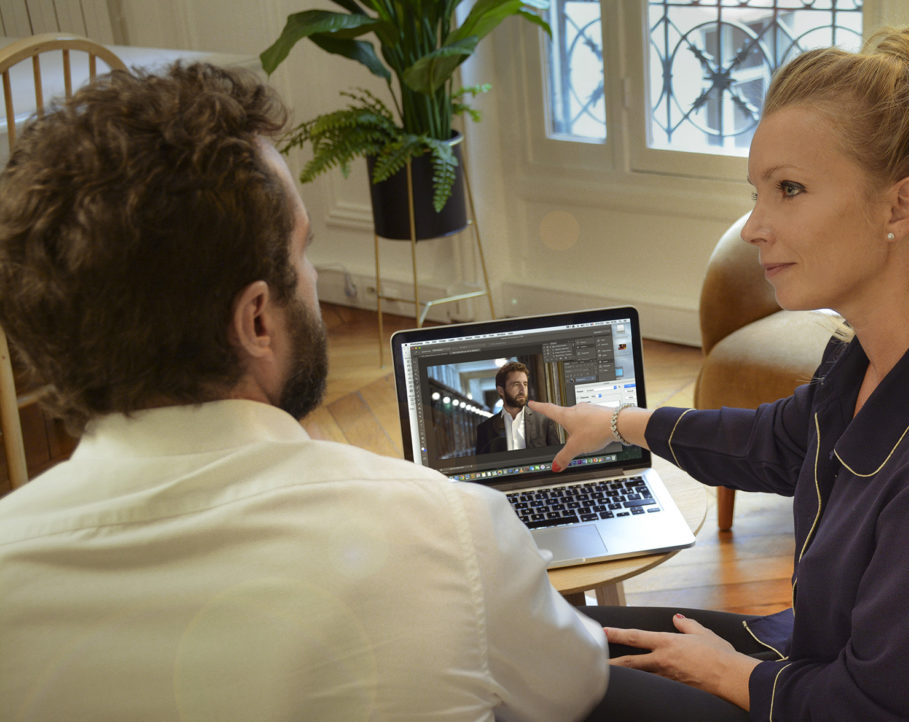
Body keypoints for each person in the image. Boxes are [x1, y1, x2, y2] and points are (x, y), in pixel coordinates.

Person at [0, 62, 609, 720]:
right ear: (257, 321)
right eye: (304, 250)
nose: (314, 278)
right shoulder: (448, 528)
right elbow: (573, 689)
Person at [535, 26, 909, 722]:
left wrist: (730, 673)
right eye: (758, 192)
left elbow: (877, 712)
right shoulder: (878, 355)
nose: (753, 227)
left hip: (829, 701)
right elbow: (775, 441)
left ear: (900, 206)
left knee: (549, 687)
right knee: (539, 639)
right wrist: (618, 424)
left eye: (789, 189)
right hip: (810, 659)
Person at [475, 361, 560, 454]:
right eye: (516, 384)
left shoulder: (543, 421)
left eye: (525, 384)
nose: (523, 390)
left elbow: (557, 457)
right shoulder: (484, 429)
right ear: (501, 390)